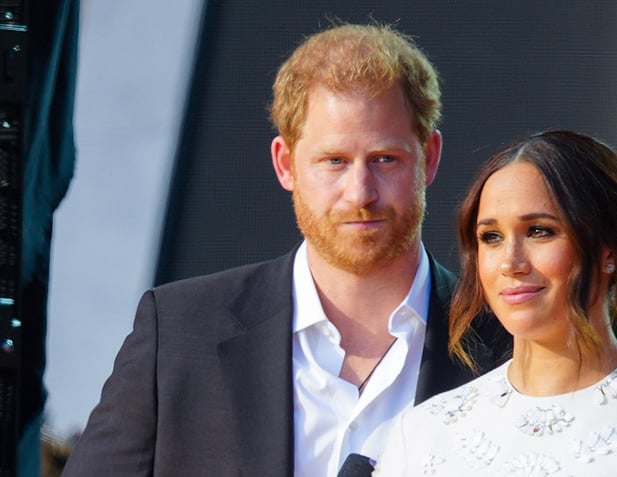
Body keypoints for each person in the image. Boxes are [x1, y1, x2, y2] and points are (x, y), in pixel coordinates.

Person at [61, 23, 507, 477]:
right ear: (285, 164)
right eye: (334, 161)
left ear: (428, 158)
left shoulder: (507, 346)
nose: (360, 192)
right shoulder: (177, 331)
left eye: (384, 159)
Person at [375, 130, 617, 476]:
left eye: (539, 231)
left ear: (609, 249)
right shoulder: (426, 432)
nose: (511, 263)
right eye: (491, 237)